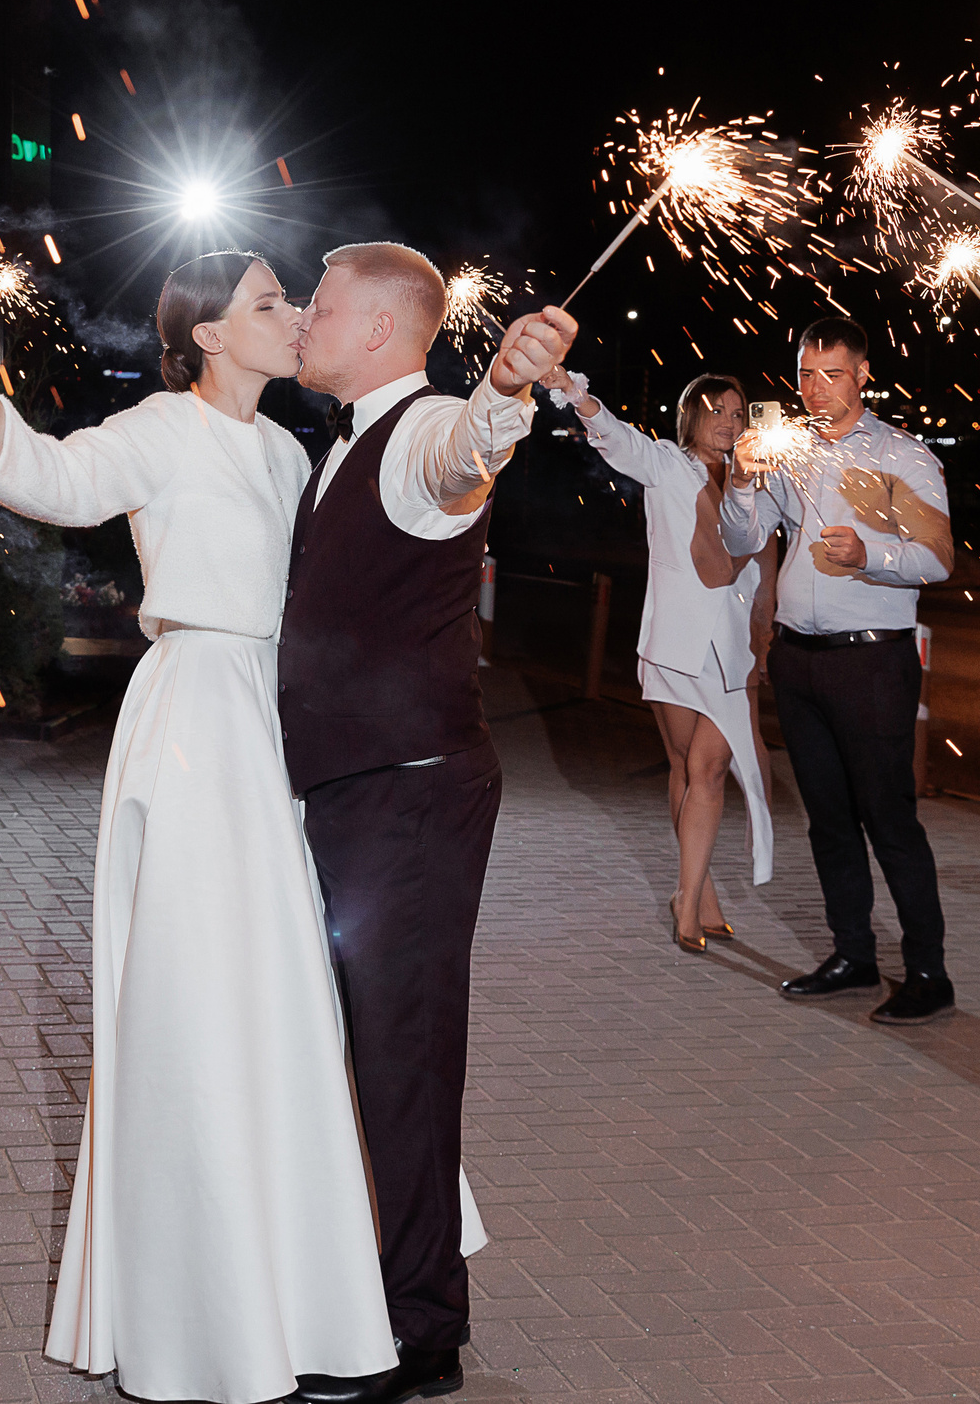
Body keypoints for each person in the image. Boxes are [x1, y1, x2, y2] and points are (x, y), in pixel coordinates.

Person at [0, 251, 411, 1403]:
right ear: (205, 336)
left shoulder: (293, 450)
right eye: (266, 304)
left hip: (269, 723)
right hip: (191, 717)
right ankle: (195, 1325)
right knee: (192, 1002)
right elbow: (45, 477)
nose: (291, 317)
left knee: (281, 1001)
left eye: (292, 300)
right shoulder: (156, 427)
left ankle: (296, 1301)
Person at [282, 242, 575, 1402]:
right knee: (372, 1050)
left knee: (402, 1057)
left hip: (407, 792)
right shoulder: (340, 444)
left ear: (377, 332)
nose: (305, 320)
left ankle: (421, 1335)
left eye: (321, 306)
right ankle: (390, 1289)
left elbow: (466, 462)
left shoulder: (421, 432)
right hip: (366, 787)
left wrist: (503, 394)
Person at [722, 317, 956, 1023]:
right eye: (805, 373)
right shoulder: (785, 452)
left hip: (873, 657)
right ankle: (853, 952)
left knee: (888, 818)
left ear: (863, 376)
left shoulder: (902, 455)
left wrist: (871, 555)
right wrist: (740, 479)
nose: (816, 389)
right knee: (826, 819)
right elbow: (743, 538)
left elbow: (941, 559)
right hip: (799, 658)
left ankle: (928, 971)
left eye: (832, 374)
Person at [547, 367, 778, 945]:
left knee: (709, 767)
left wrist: (749, 484)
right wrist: (576, 393)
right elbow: (616, 438)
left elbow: (752, 543)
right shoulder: (666, 465)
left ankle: (684, 903)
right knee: (683, 767)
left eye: (738, 412)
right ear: (692, 417)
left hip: (731, 649)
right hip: (674, 644)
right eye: (716, 411)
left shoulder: (760, 479)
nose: (728, 422)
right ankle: (697, 891)